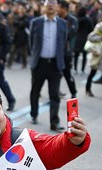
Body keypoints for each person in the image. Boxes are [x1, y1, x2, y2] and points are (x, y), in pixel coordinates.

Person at [29, 0, 68, 131]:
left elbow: (64, 43)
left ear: (57, 6)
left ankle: (54, 122)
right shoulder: (36, 22)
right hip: (39, 63)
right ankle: (34, 114)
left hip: (55, 65)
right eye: (48, 3)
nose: (50, 5)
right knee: (35, 91)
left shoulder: (63, 24)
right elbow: (31, 43)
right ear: (43, 6)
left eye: (53, 2)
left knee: (54, 95)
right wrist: (34, 58)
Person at [85, 13, 102, 97]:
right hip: (98, 54)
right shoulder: (100, 27)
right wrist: (100, 38)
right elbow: (90, 37)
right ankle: (88, 89)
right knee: (93, 72)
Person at [57, 0, 78, 98]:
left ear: (64, 9)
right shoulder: (55, 19)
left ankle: (73, 92)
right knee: (56, 74)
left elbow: (69, 35)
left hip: (67, 52)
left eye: (59, 7)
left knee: (67, 74)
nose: (57, 8)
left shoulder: (72, 20)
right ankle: (55, 92)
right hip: (56, 52)